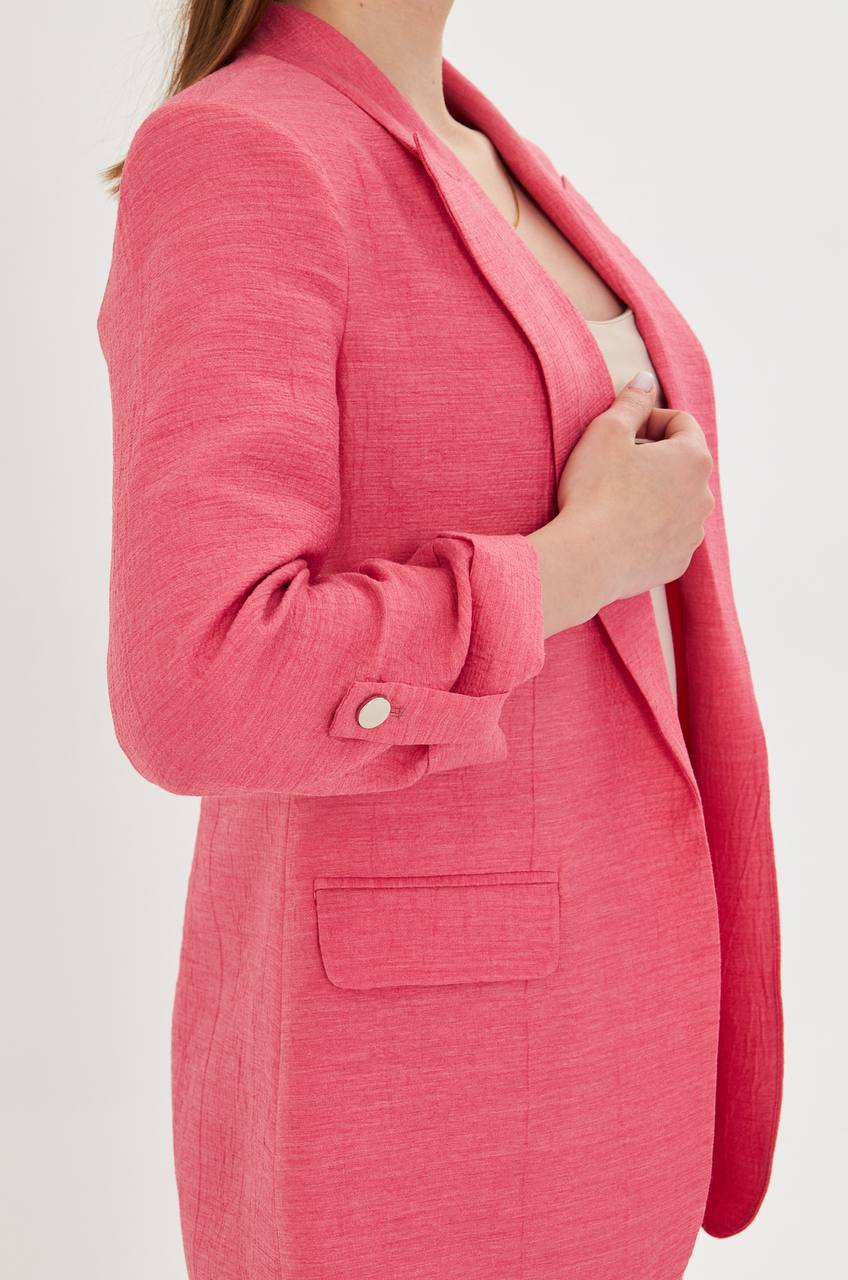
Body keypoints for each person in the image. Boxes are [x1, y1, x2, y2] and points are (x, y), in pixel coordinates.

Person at [97, 2, 783, 1277]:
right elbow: (193, 676)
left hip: (611, 1044)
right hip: (415, 1090)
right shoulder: (243, 149)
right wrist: (569, 566)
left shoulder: (476, 141)